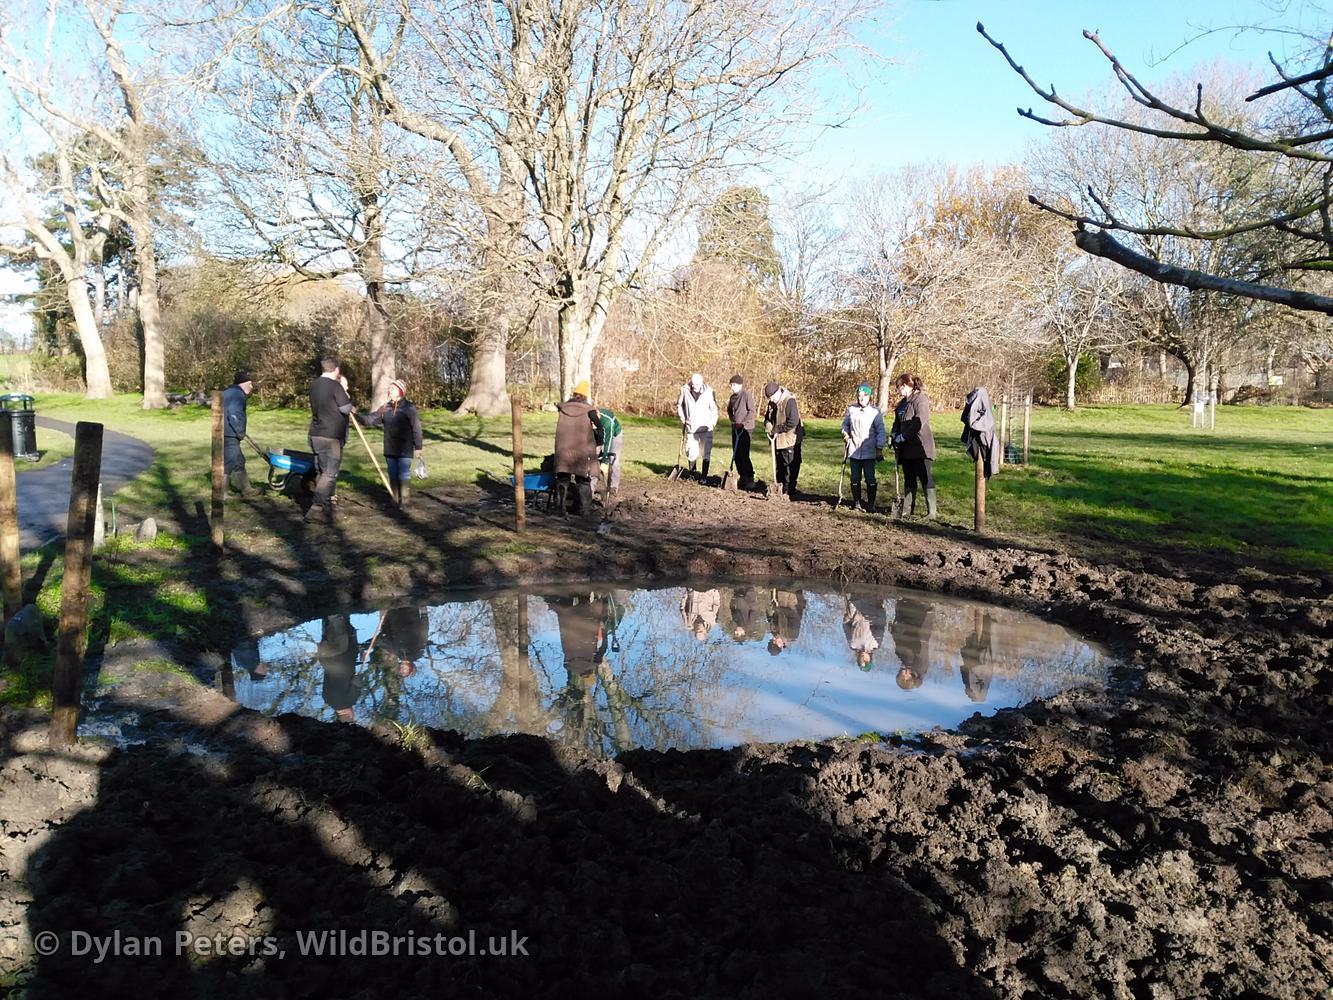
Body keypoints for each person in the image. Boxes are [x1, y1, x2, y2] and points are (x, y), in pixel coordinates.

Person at [360, 378, 424, 509]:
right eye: (390, 388)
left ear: (400, 392)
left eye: (393, 388)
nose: (390, 390)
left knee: (403, 473)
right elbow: (370, 419)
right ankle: (394, 499)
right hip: (390, 448)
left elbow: (416, 428)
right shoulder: (385, 408)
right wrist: (355, 416)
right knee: (392, 473)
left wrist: (418, 447)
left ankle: (405, 501)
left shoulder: (409, 408)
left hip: (405, 448)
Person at [306, 357, 356, 523]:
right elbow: (345, 408)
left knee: (322, 470)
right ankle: (316, 508)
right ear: (336, 370)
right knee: (330, 472)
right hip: (331, 436)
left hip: (315, 434)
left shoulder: (314, 385)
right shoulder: (335, 386)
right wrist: (351, 406)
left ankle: (324, 506)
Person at [553, 379, 604, 518]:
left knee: (562, 477)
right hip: (581, 451)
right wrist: (599, 443)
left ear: (575, 394)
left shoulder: (563, 408)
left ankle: (560, 509)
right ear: (586, 396)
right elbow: (600, 427)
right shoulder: (589, 410)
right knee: (583, 479)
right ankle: (585, 511)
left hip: (563, 449)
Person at [890, 372, 938, 518]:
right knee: (909, 478)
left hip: (921, 446)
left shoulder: (920, 399)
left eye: (898, 387)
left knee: (925, 477)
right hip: (906, 448)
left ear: (904, 386)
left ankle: (932, 512)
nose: (897, 391)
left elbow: (919, 421)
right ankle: (907, 509)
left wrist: (903, 436)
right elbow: (897, 423)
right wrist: (893, 436)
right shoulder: (902, 404)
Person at [841, 383, 887, 512]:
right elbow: (845, 425)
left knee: (870, 478)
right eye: (859, 396)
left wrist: (879, 448)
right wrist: (845, 433)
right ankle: (856, 502)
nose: (861, 398)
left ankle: (871, 504)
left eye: (864, 396)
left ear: (869, 397)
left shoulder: (875, 412)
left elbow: (881, 431)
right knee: (855, 477)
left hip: (869, 451)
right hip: (854, 450)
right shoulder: (851, 410)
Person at [317, 613, 361, 722]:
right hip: (325, 657)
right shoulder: (326, 699)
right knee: (328, 629)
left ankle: (333, 603)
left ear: (350, 715)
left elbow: (358, 681)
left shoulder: (349, 701)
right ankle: (324, 609)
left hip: (341, 656)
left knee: (336, 620)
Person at [763, 381, 803, 498]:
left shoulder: (789, 400)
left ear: (778, 392)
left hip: (790, 439)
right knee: (779, 466)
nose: (772, 400)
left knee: (789, 467)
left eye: (773, 397)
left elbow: (793, 422)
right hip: (777, 440)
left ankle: (788, 491)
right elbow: (767, 417)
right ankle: (779, 488)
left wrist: (777, 429)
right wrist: (767, 424)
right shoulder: (772, 403)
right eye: (769, 398)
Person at [676, 373, 718, 480]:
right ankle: (692, 474)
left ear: (702, 383)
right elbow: (679, 404)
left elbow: (714, 409)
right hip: (691, 426)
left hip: (706, 427)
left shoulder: (709, 392)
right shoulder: (684, 390)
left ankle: (704, 476)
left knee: (706, 452)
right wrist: (683, 418)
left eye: (697, 385)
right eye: (693, 385)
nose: (695, 387)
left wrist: (712, 423)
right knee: (691, 451)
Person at [222, 370, 256, 496]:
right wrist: (240, 431)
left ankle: (227, 490)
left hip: (222, 432)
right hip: (231, 432)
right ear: (243, 383)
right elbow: (234, 414)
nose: (252, 387)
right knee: (235, 461)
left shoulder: (226, 392)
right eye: (250, 384)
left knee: (230, 460)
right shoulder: (238, 395)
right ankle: (245, 489)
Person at [891, 596, 935, 690]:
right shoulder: (918, 665)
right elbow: (920, 642)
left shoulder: (905, 660)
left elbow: (900, 642)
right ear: (912, 676)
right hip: (919, 621)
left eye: (902, 675)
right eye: (906, 675)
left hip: (909, 619)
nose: (904, 673)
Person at [843, 593, 888, 671]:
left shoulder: (852, 645)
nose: (863, 658)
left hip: (856, 603)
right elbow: (881, 624)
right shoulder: (875, 644)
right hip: (873, 605)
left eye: (860, 660)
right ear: (870, 659)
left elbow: (846, 625)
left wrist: (849, 612)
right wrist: (880, 609)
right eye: (866, 660)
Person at [726, 374, 756, 489]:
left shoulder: (746, 394)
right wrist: (733, 421)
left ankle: (749, 478)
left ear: (740, 385)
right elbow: (729, 410)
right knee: (736, 454)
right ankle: (742, 477)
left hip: (746, 429)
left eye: (734, 385)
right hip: (735, 428)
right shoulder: (732, 397)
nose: (732, 387)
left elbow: (752, 411)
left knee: (744, 455)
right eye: (731, 385)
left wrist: (743, 423)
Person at [595, 402, 624, 501]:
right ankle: (591, 486)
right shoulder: (588, 419)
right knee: (594, 458)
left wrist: (605, 461)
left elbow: (608, 442)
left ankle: (613, 487)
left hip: (614, 436)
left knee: (613, 459)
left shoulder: (607, 422)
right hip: (599, 435)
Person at [766, 587, 807, 656]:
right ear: (781, 646)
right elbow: (794, 615)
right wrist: (778, 609)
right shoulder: (792, 635)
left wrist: (770, 611)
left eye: (772, 641)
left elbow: (771, 617)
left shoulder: (774, 632)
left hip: (779, 596)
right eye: (775, 642)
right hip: (792, 598)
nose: (773, 639)